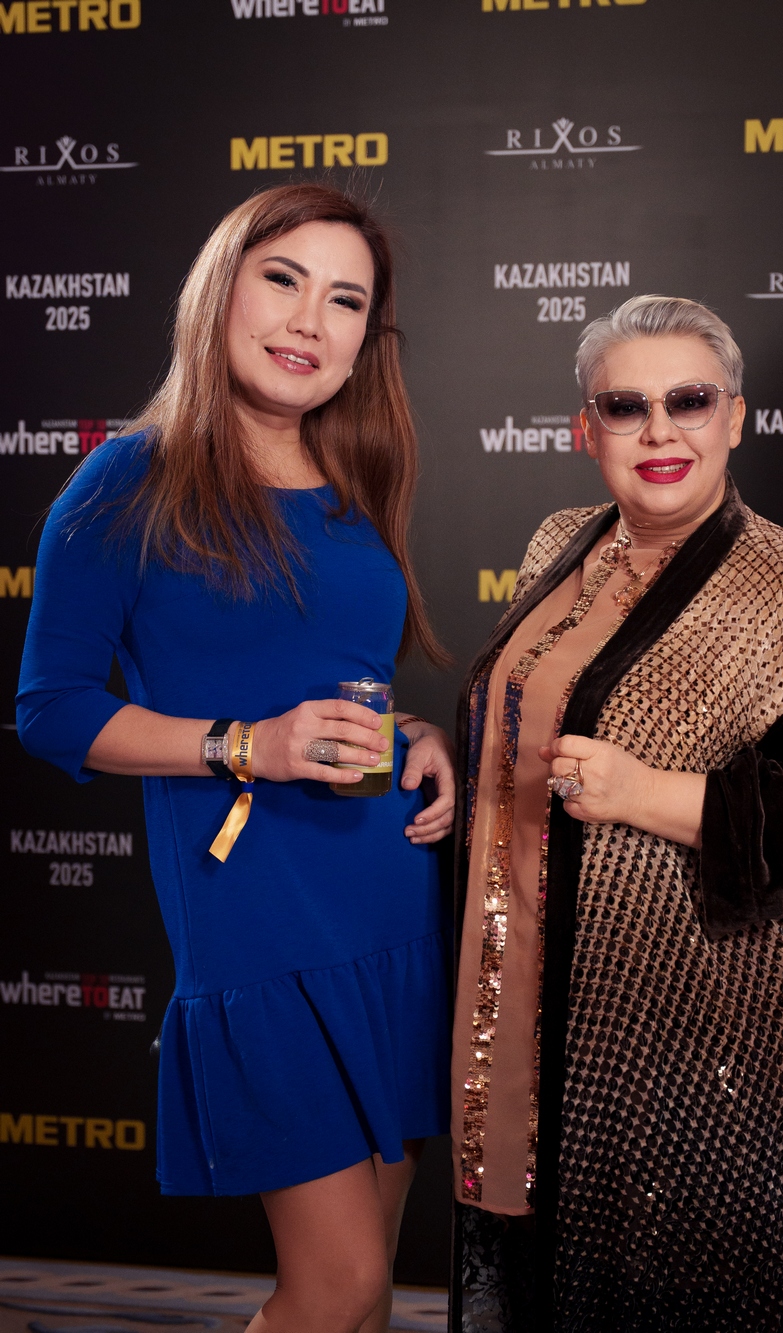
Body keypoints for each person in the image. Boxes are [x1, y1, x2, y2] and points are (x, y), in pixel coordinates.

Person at [17, 183, 455, 1333]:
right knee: (336, 1286)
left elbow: (334, 679)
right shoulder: (128, 475)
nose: (312, 319)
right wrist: (246, 745)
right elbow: (52, 710)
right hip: (261, 920)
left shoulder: (356, 482)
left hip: (394, 908)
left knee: (370, 1291)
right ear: (221, 290)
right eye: (284, 279)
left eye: (346, 299)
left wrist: (416, 738)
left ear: (367, 336)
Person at [450, 295, 783, 1331]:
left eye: (688, 400)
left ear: (735, 417)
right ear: (586, 428)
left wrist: (644, 793)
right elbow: (522, 712)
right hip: (521, 988)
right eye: (626, 405)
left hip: (690, 1035)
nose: (659, 430)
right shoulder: (561, 543)